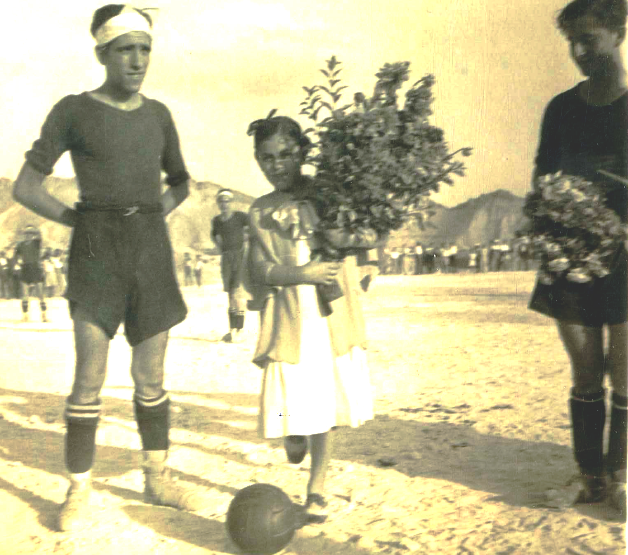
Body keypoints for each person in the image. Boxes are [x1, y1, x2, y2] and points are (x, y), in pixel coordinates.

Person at [12, 4, 204, 531]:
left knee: (151, 375)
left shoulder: (159, 114)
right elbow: (25, 187)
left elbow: (182, 182)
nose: (138, 60)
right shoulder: (73, 110)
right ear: (102, 53)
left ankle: (156, 475)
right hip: (96, 250)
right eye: (125, 50)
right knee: (89, 377)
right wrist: (78, 219)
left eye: (145, 49)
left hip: (150, 250)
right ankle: (78, 488)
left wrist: (150, 218)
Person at [245, 114, 382, 521]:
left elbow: (370, 234)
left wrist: (356, 248)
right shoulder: (260, 211)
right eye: (267, 158)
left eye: (286, 155)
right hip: (290, 321)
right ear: (258, 161)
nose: (277, 165)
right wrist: (300, 274)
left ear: (303, 152)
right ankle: (293, 432)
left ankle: (316, 488)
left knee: (325, 405)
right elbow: (259, 272)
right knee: (291, 405)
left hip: (329, 321)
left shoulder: (332, 196)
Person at [528, 0, 627, 513]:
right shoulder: (561, 109)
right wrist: (553, 228)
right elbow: (542, 180)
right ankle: (590, 476)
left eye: (591, 38)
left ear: (619, 32)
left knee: (626, 370)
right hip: (570, 258)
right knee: (586, 372)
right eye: (573, 41)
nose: (581, 51)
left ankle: (622, 476)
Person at [211, 188, 249, 342]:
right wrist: (221, 248)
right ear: (218, 203)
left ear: (231, 202)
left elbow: (251, 229)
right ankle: (231, 330)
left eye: (227, 201)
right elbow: (214, 235)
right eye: (221, 202)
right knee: (230, 295)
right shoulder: (216, 221)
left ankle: (239, 330)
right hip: (226, 259)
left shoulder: (240, 217)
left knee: (237, 293)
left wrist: (245, 243)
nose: (224, 204)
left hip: (240, 257)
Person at [14, 226, 47, 322]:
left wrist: (34, 228)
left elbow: (40, 234)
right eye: (26, 233)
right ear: (24, 235)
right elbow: (15, 256)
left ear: (33, 235)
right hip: (25, 268)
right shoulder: (20, 245)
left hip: (36, 268)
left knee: (40, 293)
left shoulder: (36, 243)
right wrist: (17, 264)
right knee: (25, 294)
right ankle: (25, 316)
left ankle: (44, 315)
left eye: (30, 233)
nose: (28, 235)